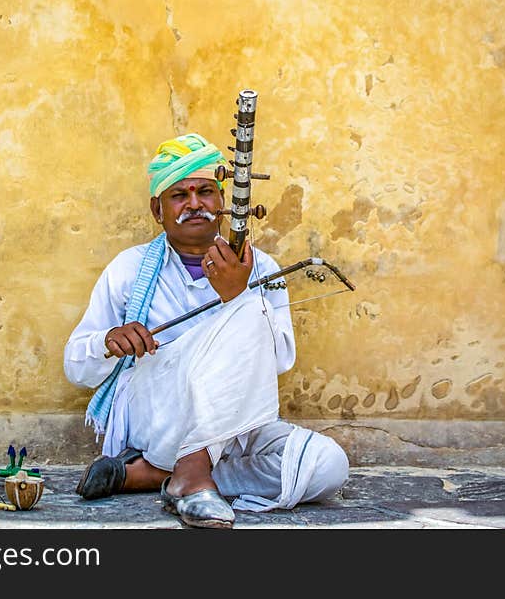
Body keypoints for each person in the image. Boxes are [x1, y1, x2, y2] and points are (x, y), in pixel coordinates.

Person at [63, 132, 349, 528]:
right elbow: (76, 366)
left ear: (222, 203)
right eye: (179, 195)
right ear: (156, 210)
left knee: (328, 466)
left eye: (205, 192)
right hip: (161, 417)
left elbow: (280, 361)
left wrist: (238, 294)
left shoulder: (261, 266)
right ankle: (191, 473)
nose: (194, 204)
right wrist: (108, 341)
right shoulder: (128, 268)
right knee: (247, 313)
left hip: (237, 421)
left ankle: (162, 476)